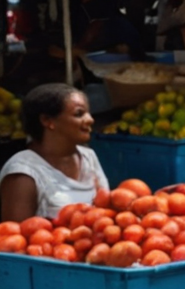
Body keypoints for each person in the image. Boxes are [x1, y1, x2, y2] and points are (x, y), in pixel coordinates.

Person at [1, 83, 110, 221]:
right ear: (47, 120)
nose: (90, 119)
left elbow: (105, 210)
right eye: (79, 113)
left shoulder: (88, 156)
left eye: (88, 113)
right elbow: (15, 237)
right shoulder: (24, 173)